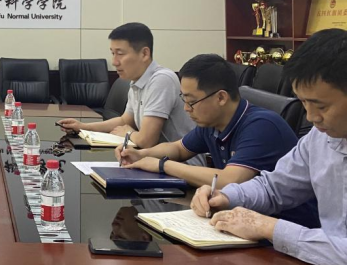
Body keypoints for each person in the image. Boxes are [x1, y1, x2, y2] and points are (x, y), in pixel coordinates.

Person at [192, 29, 347, 265]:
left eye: (321, 106)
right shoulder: (319, 138)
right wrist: (227, 196)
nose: (310, 117)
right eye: (304, 103)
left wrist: (270, 228)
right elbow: (273, 188)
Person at [118, 54, 303, 189]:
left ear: (221, 98)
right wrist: (140, 155)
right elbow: (179, 149)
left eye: (192, 101)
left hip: (284, 224)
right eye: (184, 99)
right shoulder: (212, 122)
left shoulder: (261, 126)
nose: (186, 108)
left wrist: (162, 165)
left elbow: (230, 180)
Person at [59, 22, 194, 148]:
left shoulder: (161, 80)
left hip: (178, 163)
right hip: (152, 159)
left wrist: (128, 133)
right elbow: (125, 120)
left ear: (144, 54)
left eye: (120, 54)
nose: (114, 62)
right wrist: (83, 127)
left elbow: (146, 140)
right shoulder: (136, 81)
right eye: (113, 53)